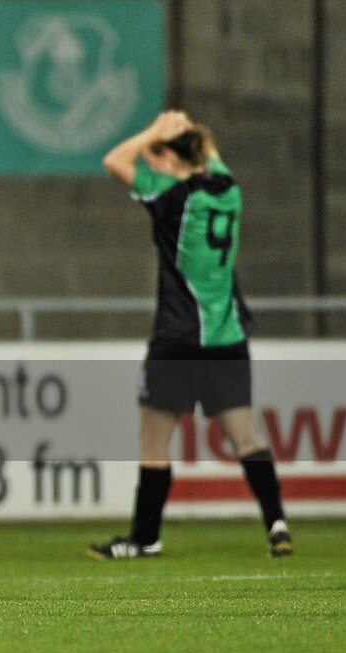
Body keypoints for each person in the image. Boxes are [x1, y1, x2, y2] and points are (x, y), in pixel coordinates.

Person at [89, 110, 292, 560]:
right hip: (226, 335)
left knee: (154, 439)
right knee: (246, 437)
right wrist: (186, 133)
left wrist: (151, 132)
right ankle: (276, 521)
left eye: (154, 155)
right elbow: (207, 154)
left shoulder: (170, 198)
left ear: (166, 157)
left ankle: (145, 538)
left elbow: (112, 160)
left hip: (178, 338)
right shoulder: (228, 189)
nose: (148, 161)